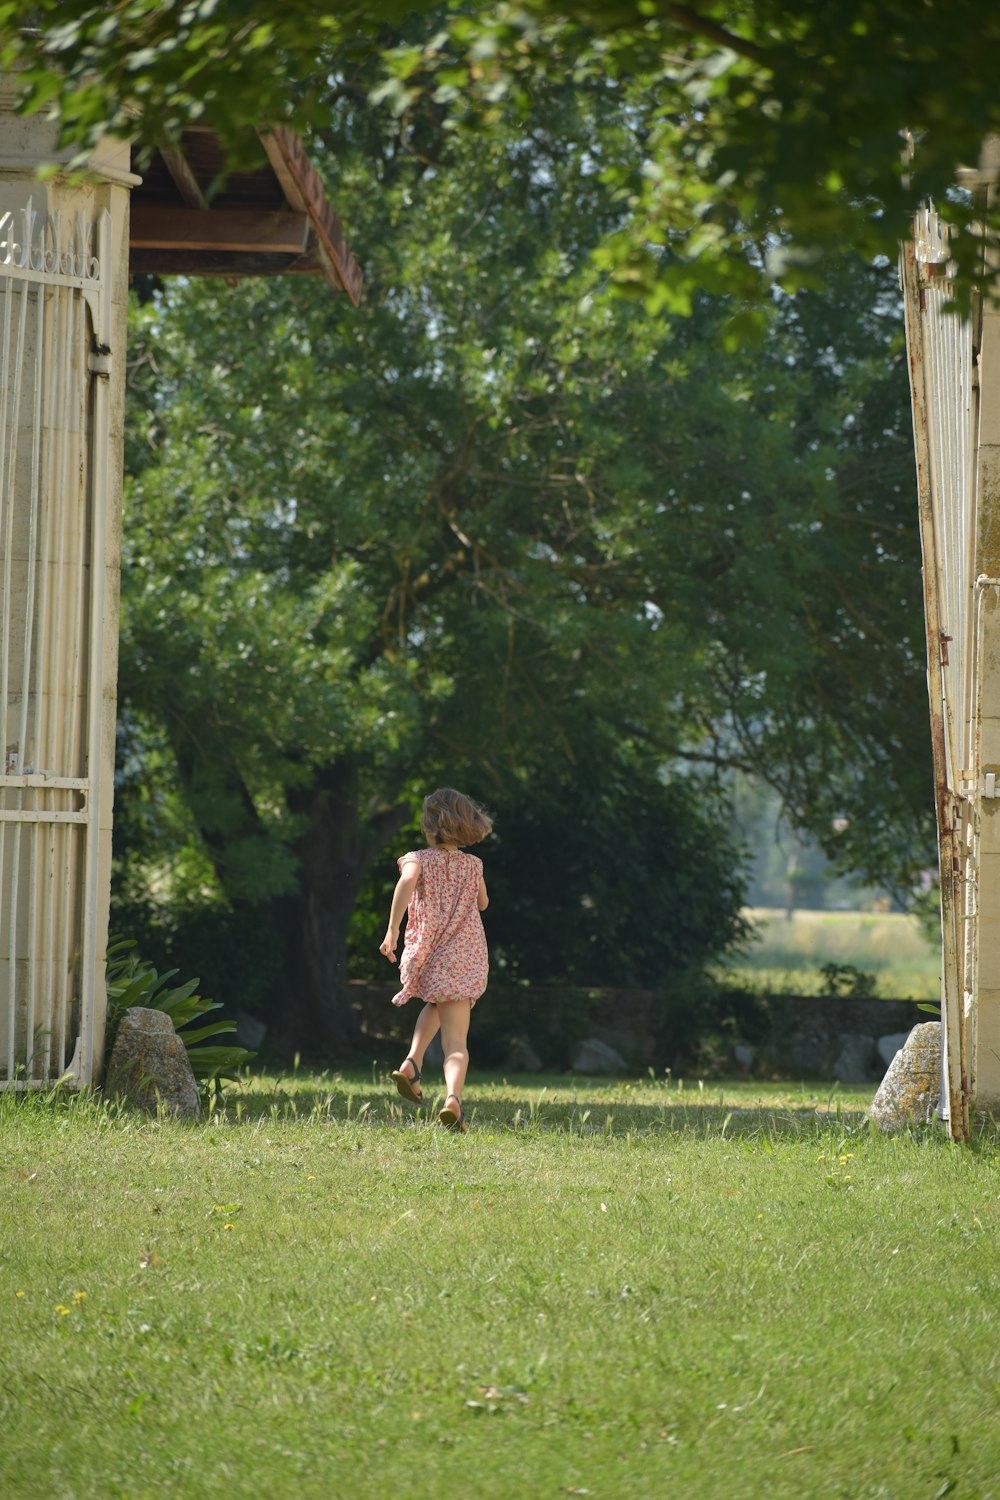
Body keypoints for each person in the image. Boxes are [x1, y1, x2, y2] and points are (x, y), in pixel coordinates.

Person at [379, 788, 492, 1132]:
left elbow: (407, 882)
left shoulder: (417, 859)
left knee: (435, 1004)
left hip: (431, 954)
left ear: (430, 827)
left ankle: (412, 1062)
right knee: (456, 1044)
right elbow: (483, 903)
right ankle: (453, 1100)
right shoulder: (473, 866)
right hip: (465, 957)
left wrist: (393, 929)